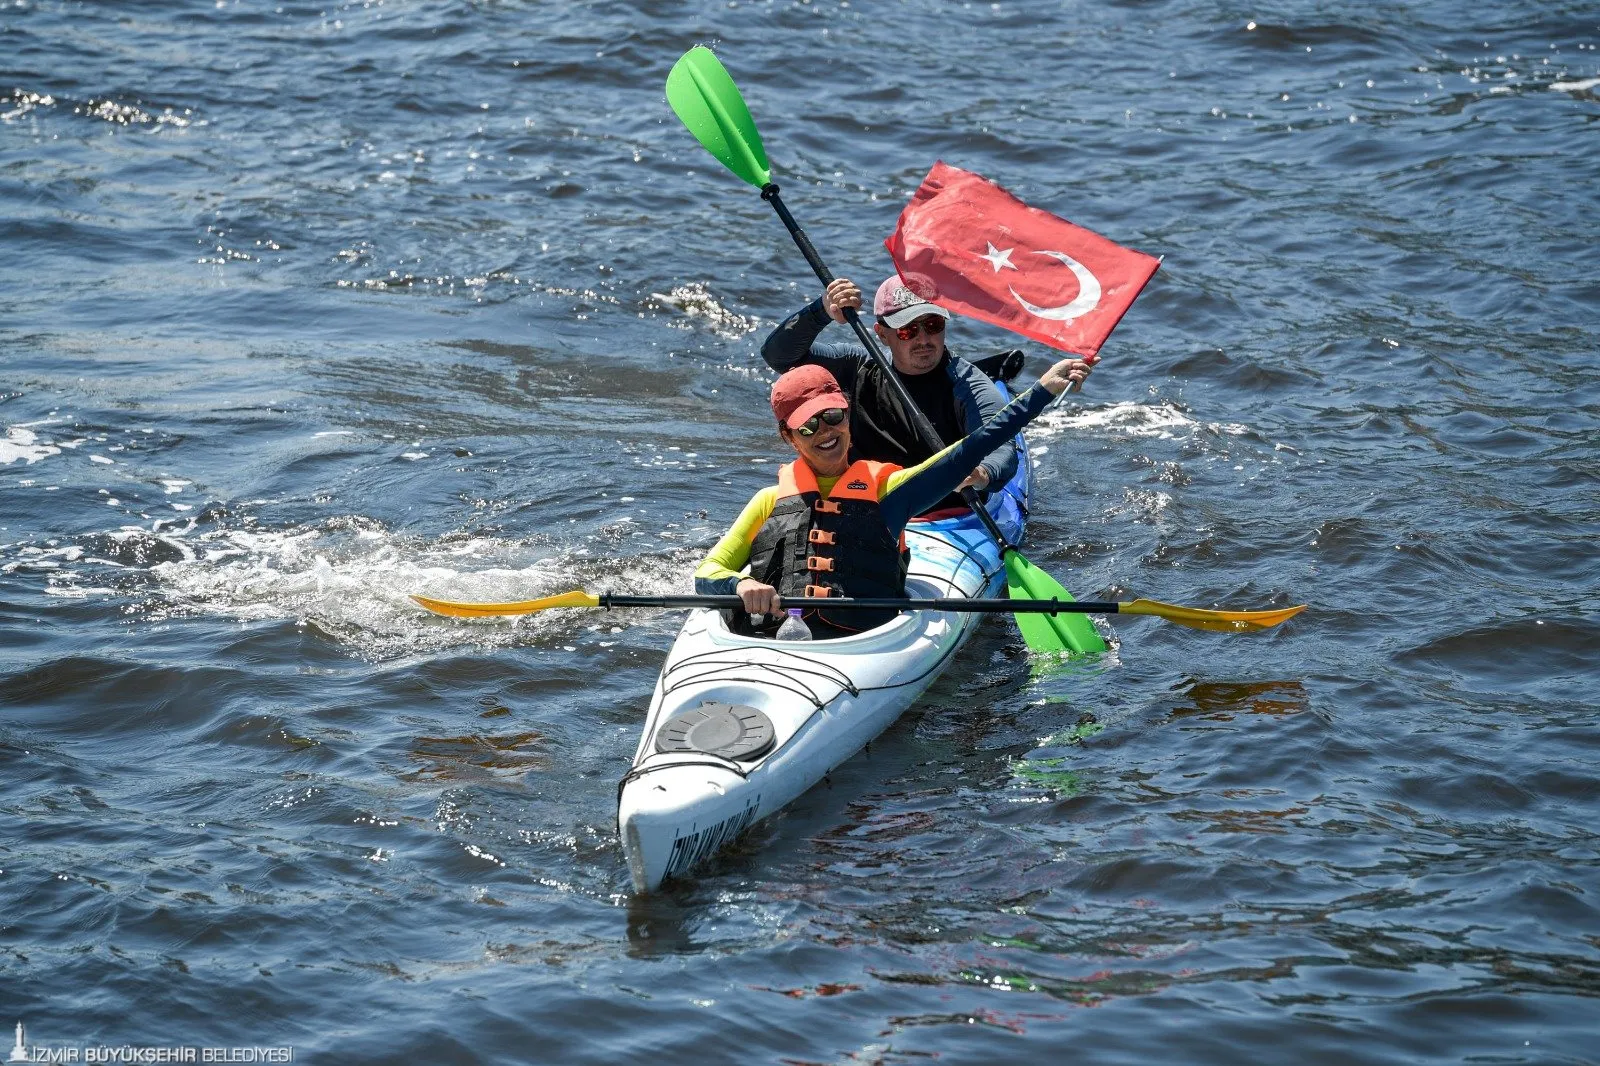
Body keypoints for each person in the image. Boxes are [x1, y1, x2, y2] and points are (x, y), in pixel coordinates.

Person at [694, 356, 1093, 639]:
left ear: (847, 414)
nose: (826, 432)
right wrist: (740, 588)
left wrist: (1041, 392)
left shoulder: (889, 491)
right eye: (809, 426)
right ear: (788, 436)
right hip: (774, 640)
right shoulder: (768, 501)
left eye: (834, 416)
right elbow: (708, 573)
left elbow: (972, 447)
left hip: (865, 644)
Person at [761, 272, 1019, 505]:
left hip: (947, 513)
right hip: (867, 502)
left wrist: (981, 474)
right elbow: (779, 357)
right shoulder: (858, 366)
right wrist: (821, 311)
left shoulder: (968, 385)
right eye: (908, 330)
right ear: (882, 334)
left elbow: (1001, 446)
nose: (923, 339)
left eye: (933, 325)